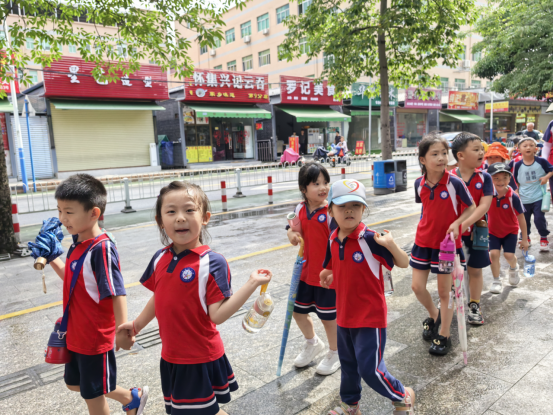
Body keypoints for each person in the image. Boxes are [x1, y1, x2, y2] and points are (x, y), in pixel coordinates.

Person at [117, 181, 272, 415]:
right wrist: (137, 324)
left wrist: (251, 283)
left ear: (205, 217)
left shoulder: (212, 262)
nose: (180, 218)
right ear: (160, 221)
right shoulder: (160, 258)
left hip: (198, 357)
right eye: (171, 211)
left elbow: (217, 315)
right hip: (171, 356)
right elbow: (160, 297)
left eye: (189, 210)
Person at [48, 174, 148, 415]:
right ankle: (131, 398)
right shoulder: (77, 241)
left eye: (69, 212)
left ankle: (131, 399)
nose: (62, 218)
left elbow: (116, 292)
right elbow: (76, 281)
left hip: (93, 338)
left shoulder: (101, 248)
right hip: (76, 331)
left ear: (93, 213)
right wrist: (53, 257)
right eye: (59, 210)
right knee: (76, 384)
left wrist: (122, 331)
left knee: (92, 395)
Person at [320, 179, 415, 415]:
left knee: (370, 369)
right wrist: (327, 272)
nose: (349, 211)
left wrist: (392, 245)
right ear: (330, 209)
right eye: (342, 206)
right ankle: (350, 406)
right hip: (343, 315)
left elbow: (404, 262)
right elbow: (331, 264)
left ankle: (402, 395)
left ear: (364, 209)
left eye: (355, 205)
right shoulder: (333, 238)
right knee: (349, 366)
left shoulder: (371, 239)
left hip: (369, 317)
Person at [410, 132, 475, 356]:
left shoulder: (454, 182)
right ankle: (435, 315)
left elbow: (471, 207)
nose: (441, 158)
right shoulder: (419, 183)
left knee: (445, 292)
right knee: (417, 287)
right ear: (422, 160)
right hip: (422, 242)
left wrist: (458, 223)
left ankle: (445, 334)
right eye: (434, 154)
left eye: (444, 153)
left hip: (447, 246)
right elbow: (425, 208)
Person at [286, 162, 340, 375]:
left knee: (328, 317)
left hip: (326, 274)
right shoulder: (300, 209)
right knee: (298, 312)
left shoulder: (330, 211)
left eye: (325, 182)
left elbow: (340, 240)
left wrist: (334, 269)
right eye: (316, 183)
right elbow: (291, 224)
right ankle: (312, 343)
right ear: (303, 188)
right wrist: (290, 234)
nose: (323, 187)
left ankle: (336, 352)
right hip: (305, 273)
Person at [450, 133, 494, 325]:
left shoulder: (485, 178)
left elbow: (484, 206)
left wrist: (464, 223)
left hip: (477, 232)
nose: (481, 153)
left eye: (481, 150)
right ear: (460, 155)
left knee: (475, 270)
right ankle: (451, 299)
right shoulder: (448, 178)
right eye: (475, 149)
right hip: (451, 236)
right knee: (452, 269)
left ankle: (474, 304)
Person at [487, 163, 529, 294]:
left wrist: (525, 239)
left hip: (510, 231)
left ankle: (514, 268)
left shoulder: (513, 196)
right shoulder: (487, 195)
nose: (501, 181)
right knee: (493, 254)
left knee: (509, 255)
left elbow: (521, 217)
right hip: (492, 231)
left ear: (509, 179)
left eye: (504, 177)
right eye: (496, 178)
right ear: (489, 179)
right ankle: (496, 281)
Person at [513, 136, 553, 251]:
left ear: (536, 148)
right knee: (524, 220)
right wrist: (516, 192)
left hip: (538, 196)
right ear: (519, 149)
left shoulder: (541, 161)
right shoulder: (517, 165)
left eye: (531, 145)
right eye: (525, 146)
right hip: (524, 198)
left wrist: (546, 177)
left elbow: (551, 170)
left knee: (539, 218)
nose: (528, 147)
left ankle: (544, 238)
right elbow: (515, 180)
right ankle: (526, 237)